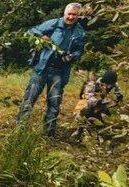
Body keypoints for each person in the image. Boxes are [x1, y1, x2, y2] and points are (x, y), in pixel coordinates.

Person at [16, 3, 87, 136]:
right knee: (29, 99)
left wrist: (72, 56)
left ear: (78, 16)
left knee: (54, 104)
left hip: (59, 72)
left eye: (74, 15)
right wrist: (42, 37)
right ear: (64, 13)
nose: (71, 17)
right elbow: (32, 31)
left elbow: (79, 50)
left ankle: (49, 134)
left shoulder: (80, 32)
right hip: (41, 68)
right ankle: (19, 129)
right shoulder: (54, 23)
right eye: (69, 14)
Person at [75, 69, 124, 137]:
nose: (109, 87)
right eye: (107, 84)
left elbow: (119, 94)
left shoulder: (113, 83)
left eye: (111, 84)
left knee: (105, 117)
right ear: (103, 81)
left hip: (101, 104)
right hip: (86, 103)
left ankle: (101, 128)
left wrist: (118, 98)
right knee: (84, 112)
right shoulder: (92, 84)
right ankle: (79, 130)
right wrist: (101, 100)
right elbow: (88, 98)